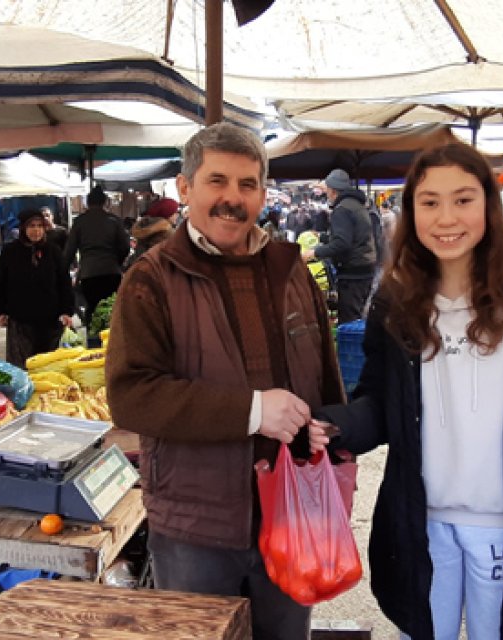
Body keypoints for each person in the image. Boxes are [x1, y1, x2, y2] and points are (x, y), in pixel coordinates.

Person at [308, 143, 503, 640]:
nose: (446, 217)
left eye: (463, 200)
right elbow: (382, 400)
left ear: (489, 204)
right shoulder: (396, 298)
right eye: (429, 202)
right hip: (422, 521)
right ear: (410, 212)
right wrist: (339, 425)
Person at [106, 122, 346, 640]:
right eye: (217, 182)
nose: (232, 199)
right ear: (185, 188)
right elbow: (131, 396)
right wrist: (253, 412)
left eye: (247, 184)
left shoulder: (291, 270)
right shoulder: (151, 278)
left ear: (262, 192)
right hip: (198, 522)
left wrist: (329, 426)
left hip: (289, 511)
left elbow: (324, 373)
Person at [0, 209, 77, 367]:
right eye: (31, 225)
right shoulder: (10, 252)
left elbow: (64, 282)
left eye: (40, 225)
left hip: (51, 320)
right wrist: (1, 310)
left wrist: (67, 310)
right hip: (21, 320)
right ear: (23, 228)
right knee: (23, 367)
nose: (36, 230)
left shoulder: (53, 251)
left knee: (49, 366)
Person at [304, 169, 377, 323]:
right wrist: (323, 237)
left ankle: (351, 347)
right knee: (356, 318)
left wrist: (314, 253)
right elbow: (351, 236)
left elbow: (342, 243)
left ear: (333, 190)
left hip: (353, 273)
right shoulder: (356, 205)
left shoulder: (342, 209)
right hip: (365, 269)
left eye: (327, 189)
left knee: (349, 323)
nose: (327, 194)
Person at [64, 186, 132, 326]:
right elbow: (125, 247)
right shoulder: (114, 220)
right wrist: (117, 262)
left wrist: (63, 271)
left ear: (87, 203)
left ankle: (93, 341)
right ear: (105, 202)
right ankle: (112, 342)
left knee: (92, 309)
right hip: (112, 272)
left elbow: (70, 250)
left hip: (89, 273)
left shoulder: (80, 222)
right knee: (112, 309)